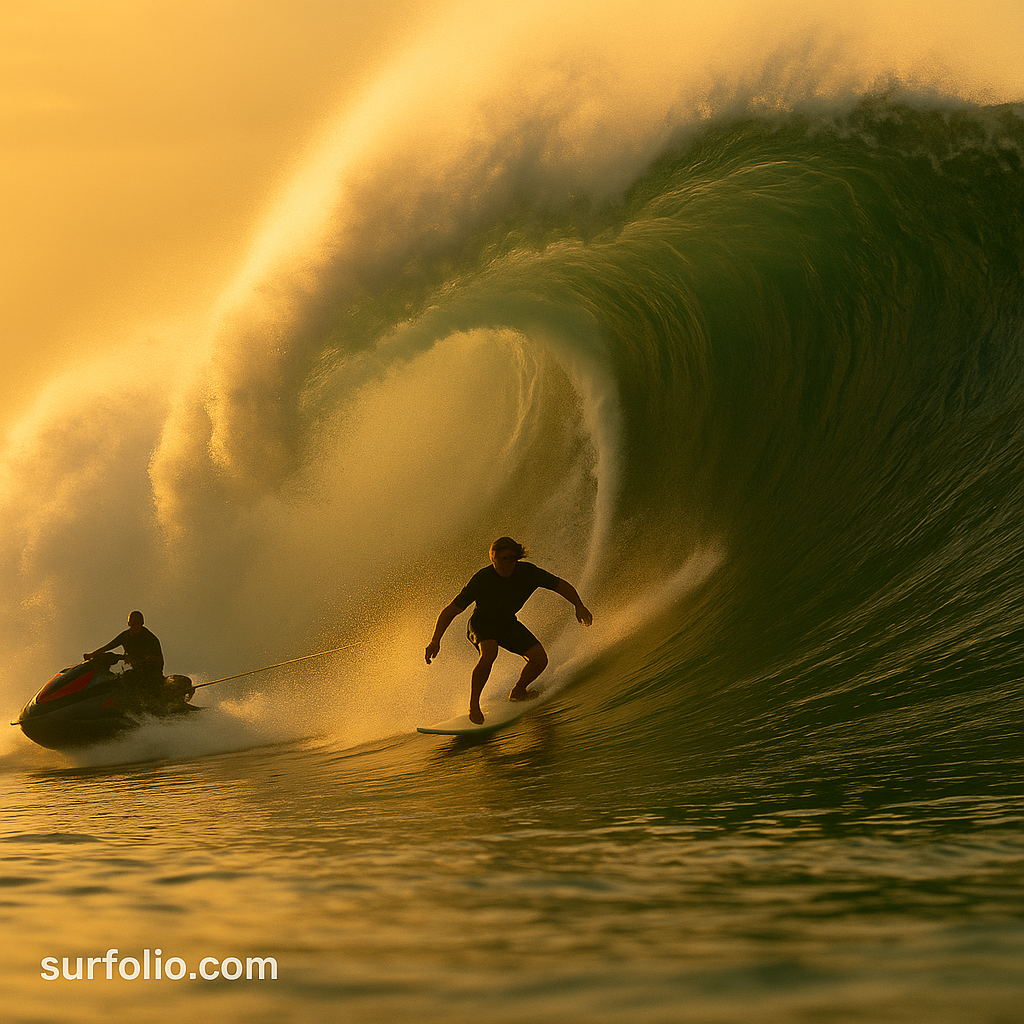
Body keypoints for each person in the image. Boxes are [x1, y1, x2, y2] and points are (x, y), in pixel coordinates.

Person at [425, 537, 593, 724]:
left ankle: (518, 691)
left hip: (507, 624)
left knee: (540, 660)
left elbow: (560, 585)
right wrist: (435, 640)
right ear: (493, 559)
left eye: (511, 558)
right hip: (481, 624)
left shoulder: (528, 572)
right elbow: (451, 610)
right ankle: (474, 705)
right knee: (489, 653)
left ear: (517, 557)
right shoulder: (482, 579)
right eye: (502, 559)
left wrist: (579, 605)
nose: (508, 563)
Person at [85, 610, 165, 683]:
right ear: (129, 624)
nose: (136, 627)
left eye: (138, 624)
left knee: (130, 675)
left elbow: (159, 661)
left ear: (142, 623)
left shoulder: (150, 638)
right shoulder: (125, 636)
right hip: (131, 663)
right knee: (107, 657)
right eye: (133, 624)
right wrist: (91, 655)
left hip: (148, 670)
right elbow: (107, 647)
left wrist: (140, 660)